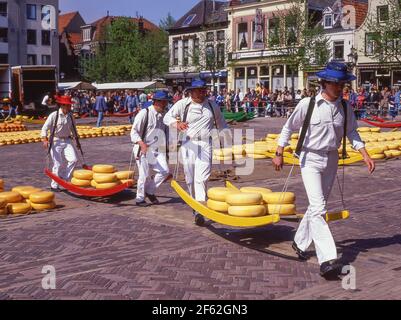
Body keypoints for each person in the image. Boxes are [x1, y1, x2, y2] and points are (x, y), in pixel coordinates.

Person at [272, 61, 375, 279]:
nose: (340, 88)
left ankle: (299, 243)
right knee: (319, 208)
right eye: (337, 84)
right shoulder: (307, 104)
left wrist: (365, 154)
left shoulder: (345, 108)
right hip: (309, 158)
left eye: (343, 84)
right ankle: (328, 259)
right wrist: (279, 151)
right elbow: (288, 127)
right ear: (325, 83)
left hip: (331, 159)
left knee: (317, 206)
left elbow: (352, 133)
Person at [163, 80, 228, 226]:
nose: (202, 92)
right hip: (188, 143)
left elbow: (221, 122)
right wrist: (177, 124)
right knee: (190, 179)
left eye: (203, 90)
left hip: (206, 143)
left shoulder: (212, 105)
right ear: (191, 92)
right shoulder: (183, 104)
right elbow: (167, 117)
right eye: (198, 90)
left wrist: (226, 139)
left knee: (202, 177)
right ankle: (194, 205)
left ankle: (200, 209)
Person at [131, 91, 171, 207]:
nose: (165, 105)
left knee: (164, 171)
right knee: (144, 175)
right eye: (164, 102)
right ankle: (139, 198)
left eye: (166, 103)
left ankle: (150, 191)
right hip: (143, 147)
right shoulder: (145, 113)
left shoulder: (164, 115)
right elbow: (134, 131)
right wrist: (141, 144)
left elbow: (166, 132)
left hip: (157, 149)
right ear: (156, 102)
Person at [41, 96, 79, 191]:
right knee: (58, 163)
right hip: (55, 140)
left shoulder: (70, 116)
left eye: (70, 105)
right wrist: (44, 139)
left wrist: (77, 140)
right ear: (62, 105)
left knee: (73, 160)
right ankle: (54, 185)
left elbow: (74, 129)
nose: (70, 107)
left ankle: (63, 177)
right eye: (68, 105)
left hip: (67, 140)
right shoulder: (54, 115)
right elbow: (44, 128)